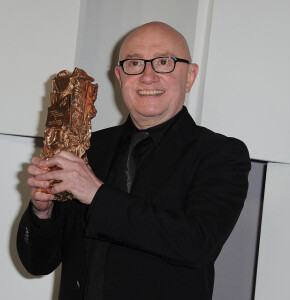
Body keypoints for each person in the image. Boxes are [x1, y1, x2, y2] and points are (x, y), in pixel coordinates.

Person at [17, 22, 251, 300]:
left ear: (190, 76)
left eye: (164, 62)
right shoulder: (88, 148)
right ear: (119, 75)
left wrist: (96, 194)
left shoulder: (221, 154)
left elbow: (196, 244)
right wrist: (42, 211)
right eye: (135, 63)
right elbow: (38, 262)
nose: (147, 76)